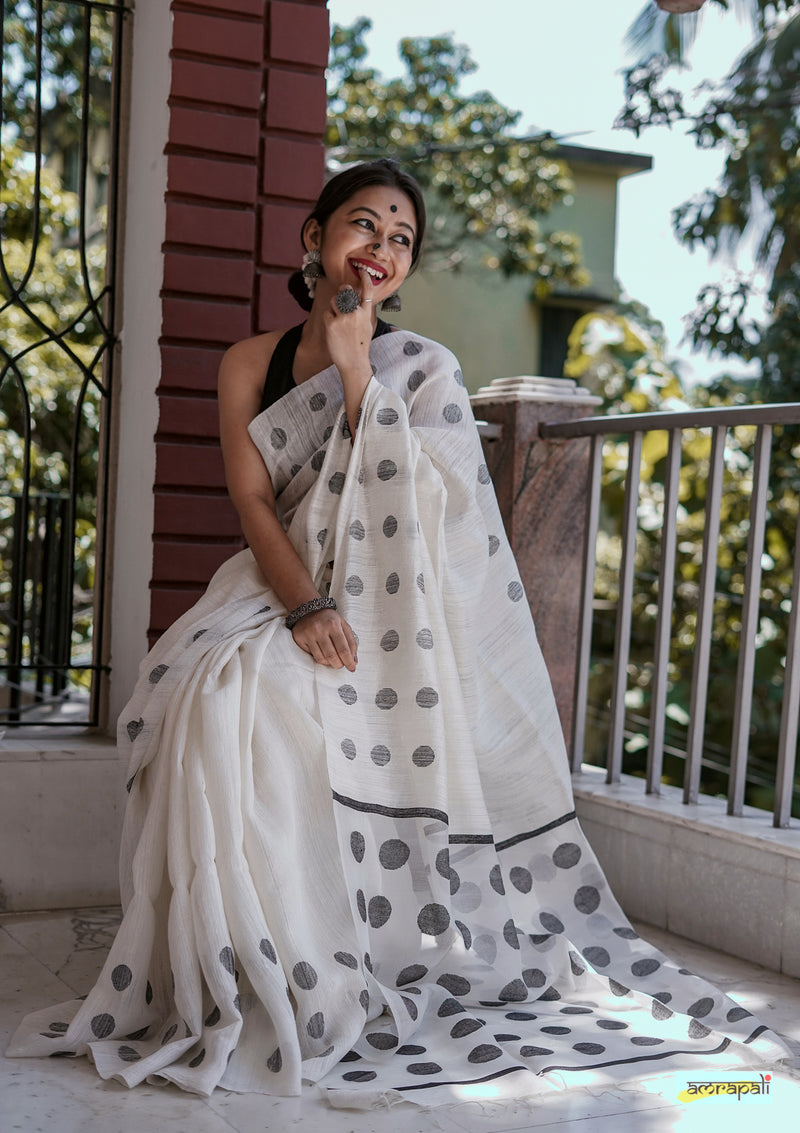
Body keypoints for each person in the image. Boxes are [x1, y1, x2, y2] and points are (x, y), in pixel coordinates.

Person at [6, 159, 790, 1108]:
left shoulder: (424, 368)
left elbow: (439, 511)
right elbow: (252, 502)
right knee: (221, 698)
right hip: (280, 583)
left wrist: (355, 367)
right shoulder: (248, 363)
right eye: (364, 225)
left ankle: (335, 961)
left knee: (279, 705)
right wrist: (305, 606)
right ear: (315, 236)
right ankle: (246, 970)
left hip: (400, 609)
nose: (380, 248)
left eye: (401, 238)